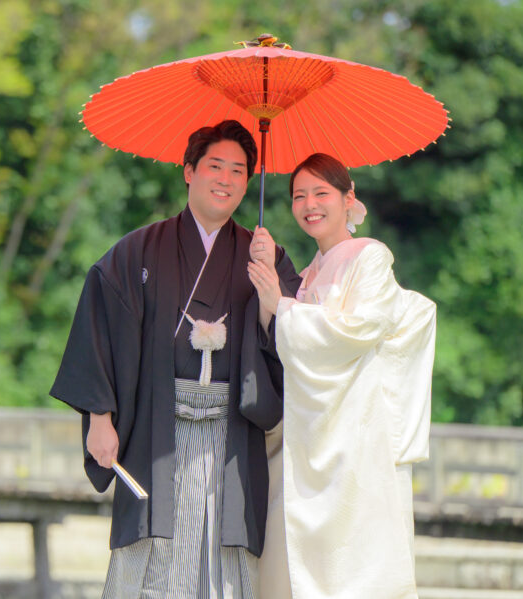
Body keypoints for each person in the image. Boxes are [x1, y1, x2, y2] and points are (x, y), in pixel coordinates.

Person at [50, 120, 300, 598]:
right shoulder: (139, 250)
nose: (226, 179)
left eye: (239, 170)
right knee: (154, 555)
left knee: (226, 556)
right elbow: (98, 325)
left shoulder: (264, 256)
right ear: (189, 171)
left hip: (232, 436)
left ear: (250, 183)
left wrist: (272, 291)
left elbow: (297, 343)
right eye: (215, 166)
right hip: (156, 433)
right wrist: (100, 418)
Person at [247, 153, 436, 599]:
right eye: (298, 195)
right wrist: (268, 289)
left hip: (353, 433)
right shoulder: (311, 270)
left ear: (348, 199)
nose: (309, 203)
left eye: (321, 193)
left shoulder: (369, 257)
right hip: (312, 431)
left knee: (349, 565)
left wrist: (283, 304)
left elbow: (357, 331)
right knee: (291, 556)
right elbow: (286, 346)